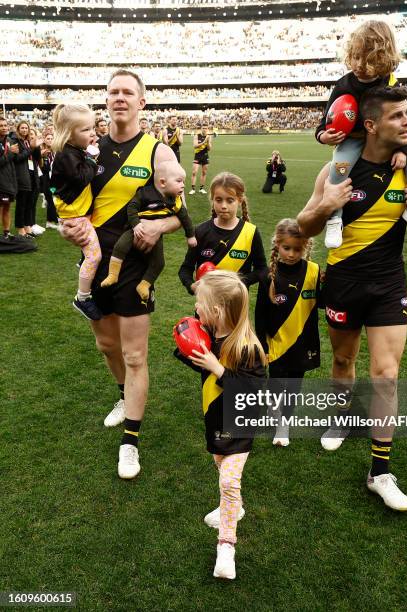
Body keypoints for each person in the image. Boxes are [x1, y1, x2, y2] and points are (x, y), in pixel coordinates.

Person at [297, 86, 407, 512]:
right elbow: (304, 228)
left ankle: (379, 471)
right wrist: (326, 205)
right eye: (398, 116)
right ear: (371, 125)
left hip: (388, 283)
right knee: (344, 360)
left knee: (386, 373)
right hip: (343, 280)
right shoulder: (337, 171)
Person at [60, 69, 179, 479]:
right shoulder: (87, 148)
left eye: (128, 92)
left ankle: (131, 441)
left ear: (142, 102)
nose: (120, 98)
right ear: (105, 101)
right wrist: (66, 225)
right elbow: (69, 198)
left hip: (135, 266)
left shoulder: (157, 152)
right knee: (107, 346)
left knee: (134, 354)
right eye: (113, 92)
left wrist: (158, 226)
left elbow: (180, 213)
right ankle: (121, 397)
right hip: (94, 260)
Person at [176, 270, 266, 580]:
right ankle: (235, 507)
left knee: (228, 482)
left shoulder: (247, 348)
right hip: (214, 421)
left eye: (199, 303)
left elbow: (255, 394)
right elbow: (196, 359)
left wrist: (219, 369)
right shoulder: (210, 337)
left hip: (240, 425)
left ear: (216, 311)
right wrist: (186, 345)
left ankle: (226, 548)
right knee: (220, 468)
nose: (196, 308)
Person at [315, 20, 407, 249]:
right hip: (356, 139)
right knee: (339, 164)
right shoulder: (343, 84)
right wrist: (324, 137)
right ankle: (335, 217)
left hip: (386, 140)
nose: (358, 64)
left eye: (366, 59)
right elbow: (324, 122)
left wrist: (403, 149)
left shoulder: (390, 82)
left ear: (382, 58)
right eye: (355, 57)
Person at [255, 218, 321, 446]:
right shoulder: (267, 275)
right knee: (276, 382)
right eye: (287, 248)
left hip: (304, 343)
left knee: (294, 386)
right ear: (277, 246)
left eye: (297, 249)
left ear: (306, 247)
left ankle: (284, 425)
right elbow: (260, 314)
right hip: (276, 342)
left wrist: (329, 284)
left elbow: (321, 304)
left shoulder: (313, 271)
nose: (292, 254)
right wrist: (262, 346)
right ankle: (274, 410)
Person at [101, 159, 196, 302]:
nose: (183, 185)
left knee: (159, 263)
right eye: (179, 181)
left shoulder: (175, 200)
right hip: (136, 229)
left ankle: (144, 285)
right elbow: (132, 207)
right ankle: (113, 275)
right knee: (120, 247)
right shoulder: (145, 193)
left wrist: (191, 236)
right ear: (163, 182)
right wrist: (136, 224)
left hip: (156, 237)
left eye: (183, 181)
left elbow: (185, 217)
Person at [50, 103, 102, 320]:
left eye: (92, 128)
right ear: (69, 135)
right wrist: (91, 158)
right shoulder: (67, 155)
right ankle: (82, 297)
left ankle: (83, 263)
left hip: (79, 213)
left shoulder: (72, 151)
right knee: (95, 256)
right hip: (76, 217)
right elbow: (81, 178)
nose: (93, 133)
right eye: (86, 130)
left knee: (89, 253)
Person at [179, 172, 267, 295]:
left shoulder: (251, 232)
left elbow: (262, 269)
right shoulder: (200, 231)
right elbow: (185, 268)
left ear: (239, 201)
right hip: (206, 306)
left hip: (236, 304)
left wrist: (239, 282)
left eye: (230, 201)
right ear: (213, 200)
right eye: (218, 200)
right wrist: (191, 286)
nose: (223, 206)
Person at [12, 121, 41, 238]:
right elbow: (18, 158)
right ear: (18, 129)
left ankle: (28, 227)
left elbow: (37, 158)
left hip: (32, 175)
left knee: (29, 204)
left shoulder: (28, 142)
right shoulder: (15, 142)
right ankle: (20, 229)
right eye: (22, 128)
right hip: (22, 176)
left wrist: (36, 146)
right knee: (21, 204)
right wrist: (30, 149)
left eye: (26, 128)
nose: (25, 130)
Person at [0, 116, 18, 237]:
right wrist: (11, 152)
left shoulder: (9, 141)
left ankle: (7, 233)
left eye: (5, 125)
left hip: (8, 181)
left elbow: (14, 160)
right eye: (1, 125)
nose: (4, 127)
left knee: (7, 207)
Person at [40, 132, 59, 229]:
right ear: (44, 140)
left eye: (52, 138)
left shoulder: (56, 152)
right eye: (48, 138)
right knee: (50, 199)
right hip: (46, 180)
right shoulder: (42, 152)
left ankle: (52, 220)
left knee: (53, 199)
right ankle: (51, 221)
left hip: (55, 180)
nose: (50, 140)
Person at [189, 124, 212, 195]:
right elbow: (195, 146)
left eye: (206, 128)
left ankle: (201, 188)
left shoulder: (209, 137)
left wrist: (208, 142)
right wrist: (204, 141)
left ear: (207, 129)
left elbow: (209, 148)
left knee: (204, 172)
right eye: (203, 128)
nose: (204, 129)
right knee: (194, 172)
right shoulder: (197, 136)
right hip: (197, 155)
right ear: (201, 129)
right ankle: (193, 189)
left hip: (205, 155)